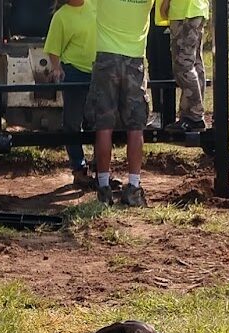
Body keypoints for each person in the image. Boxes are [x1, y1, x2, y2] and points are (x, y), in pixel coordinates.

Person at [86, 0, 155, 207]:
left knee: (104, 127)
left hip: (106, 59)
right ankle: (133, 188)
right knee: (136, 128)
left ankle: (104, 187)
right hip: (135, 60)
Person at [44, 0, 97, 188]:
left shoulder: (95, 5)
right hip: (74, 71)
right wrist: (56, 67)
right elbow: (53, 48)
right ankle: (78, 169)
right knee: (72, 123)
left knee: (99, 121)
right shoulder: (61, 17)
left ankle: (100, 168)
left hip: (98, 71)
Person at [161, 0, 209, 132]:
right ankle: (192, 114)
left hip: (184, 11)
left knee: (183, 65)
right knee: (195, 64)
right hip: (196, 9)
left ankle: (194, 116)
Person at [146, 6, 173, 130]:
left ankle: (168, 116)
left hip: (165, 15)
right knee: (153, 62)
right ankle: (157, 112)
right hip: (148, 13)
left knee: (165, 65)